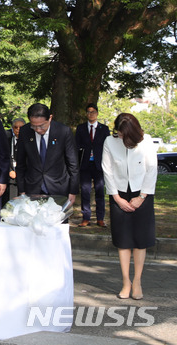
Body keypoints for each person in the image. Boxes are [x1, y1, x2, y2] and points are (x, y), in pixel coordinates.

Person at [102, 113, 157, 300]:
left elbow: (152, 169)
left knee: (140, 240)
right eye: (119, 134)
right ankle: (126, 281)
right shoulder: (110, 141)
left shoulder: (146, 141)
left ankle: (138, 281)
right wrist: (116, 198)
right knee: (123, 240)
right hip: (118, 194)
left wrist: (141, 197)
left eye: (125, 135)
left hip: (142, 193)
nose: (122, 138)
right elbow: (107, 170)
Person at [16, 103, 79, 205]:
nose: (38, 130)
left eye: (42, 126)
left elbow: (73, 164)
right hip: (33, 188)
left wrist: (73, 191)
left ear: (50, 118)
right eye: (34, 126)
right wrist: (22, 190)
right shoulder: (25, 131)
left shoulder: (63, 131)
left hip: (58, 187)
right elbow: (21, 163)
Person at [75, 103, 111, 227]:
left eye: (93, 112)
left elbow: (108, 147)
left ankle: (100, 218)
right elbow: (76, 145)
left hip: (99, 164)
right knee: (85, 191)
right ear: (86, 114)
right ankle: (86, 217)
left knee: (100, 191)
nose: (91, 114)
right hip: (85, 164)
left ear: (97, 113)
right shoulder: (81, 128)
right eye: (89, 112)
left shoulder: (104, 129)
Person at [4, 117, 25, 207]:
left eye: (21, 127)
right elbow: (2, 156)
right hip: (10, 176)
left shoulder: (29, 139)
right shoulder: (6, 138)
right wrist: (9, 170)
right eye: (16, 127)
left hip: (24, 176)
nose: (18, 129)